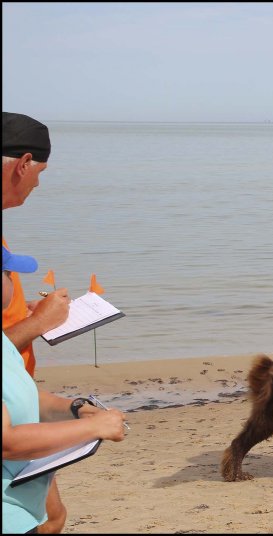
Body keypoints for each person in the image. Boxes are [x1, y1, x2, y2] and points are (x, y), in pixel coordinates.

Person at [2, 246, 127, 534]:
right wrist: (96, 428)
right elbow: (7, 442)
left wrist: (75, 408)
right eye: (8, 273)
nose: (14, 282)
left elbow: (21, 395)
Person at [2, 112, 71, 533]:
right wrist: (38, 324)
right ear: (23, 163)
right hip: (8, 421)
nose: (38, 184)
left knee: (52, 516)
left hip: (19, 398)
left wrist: (29, 312)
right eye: (39, 172)